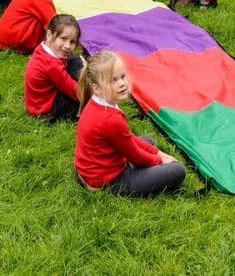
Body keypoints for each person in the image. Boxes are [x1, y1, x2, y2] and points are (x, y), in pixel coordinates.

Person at [74, 50, 186, 196]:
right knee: (177, 170)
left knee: (148, 141)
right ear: (97, 87)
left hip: (93, 169)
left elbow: (129, 138)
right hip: (108, 181)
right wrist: (161, 160)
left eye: (122, 77)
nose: (121, 84)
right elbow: (135, 156)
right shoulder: (110, 119)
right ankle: (129, 180)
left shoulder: (99, 102)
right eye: (113, 80)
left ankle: (148, 163)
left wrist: (158, 152)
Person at [25, 14, 84, 122]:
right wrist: (94, 93)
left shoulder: (42, 49)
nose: (67, 46)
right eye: (63, 38)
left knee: (75, 61)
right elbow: (74, 91)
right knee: (78, 67)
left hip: (37, 103)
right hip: (46, 111)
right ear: (49, 35)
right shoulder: (52, 65)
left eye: (72, 42)